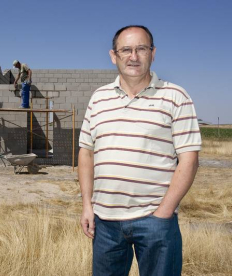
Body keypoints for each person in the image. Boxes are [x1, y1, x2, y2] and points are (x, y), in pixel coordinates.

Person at [78, 25, 201, 276]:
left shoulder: (176, 96)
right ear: (114, 56)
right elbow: (86, 153)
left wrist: (163, 213)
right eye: (126, 50)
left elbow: (189, 159)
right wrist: (87, 206)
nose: (133, 56)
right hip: (105, 223)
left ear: (153, 53)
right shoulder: (99, 98)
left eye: (141, 49)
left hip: (155, 221)